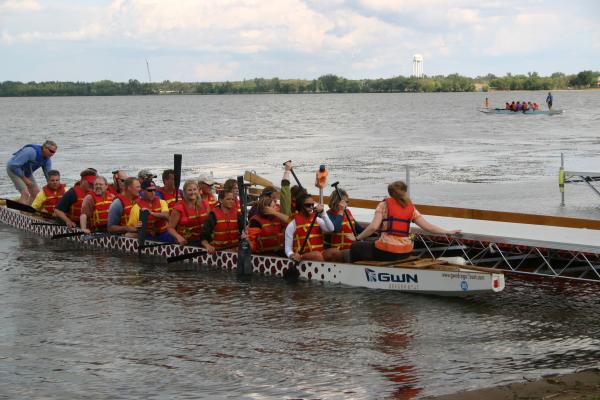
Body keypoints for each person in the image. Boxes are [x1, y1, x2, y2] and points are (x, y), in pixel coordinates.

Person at [350, 181, 460, 263]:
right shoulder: (411, 208)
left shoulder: (383, 205)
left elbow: (373, 227)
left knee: (356, 247)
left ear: (390, 193)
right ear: (404, 192)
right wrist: (448, 231)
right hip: (405, 252)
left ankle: (358, 274)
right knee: (373, 241)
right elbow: (428, 227)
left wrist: (357, 238)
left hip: (387, 252)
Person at [284, 193, 340, 262]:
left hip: (319, 253)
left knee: (336, 252)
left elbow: (331, 229)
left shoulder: (317, 219)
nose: (311, 207)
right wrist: (292, 255)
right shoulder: (292, 225)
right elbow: (288, 248)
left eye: (312, 205)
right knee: (317, 255)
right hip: (302, 256)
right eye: (308, 205)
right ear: (300, 206)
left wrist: (323, 213)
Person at [6, 140, 57, 205]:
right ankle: (22, 211)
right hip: (13, 169)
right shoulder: (30, 152)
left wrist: (55, 189)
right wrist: (24, 178)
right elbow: (13, 165)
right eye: (51, 151)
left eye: (54, 152)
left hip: (26, 172)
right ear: (44, 148)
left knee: (36, 194)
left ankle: (28, 209)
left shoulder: (47, 160)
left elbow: (49, 176)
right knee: (25, 193)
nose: (52, 154)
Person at [200, 189, 245, 253]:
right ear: (221, 200)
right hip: (218, 252)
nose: (231, 201)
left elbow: (245, 230)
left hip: (235, 251)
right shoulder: (213, 215)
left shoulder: (237, 214)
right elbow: (203, 236)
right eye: (228, 199)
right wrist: (207, 246)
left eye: (232, 199)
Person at [167, 180, 210, 245]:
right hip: (186, 243)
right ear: (184, 192)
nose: (193, 192)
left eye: (194, 189)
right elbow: (170, 228)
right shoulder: (178, 208)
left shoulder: (205, 204)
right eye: (189, 190)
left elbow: (209, 224)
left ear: (198, 190)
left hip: (204, 241)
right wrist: (178, 237)